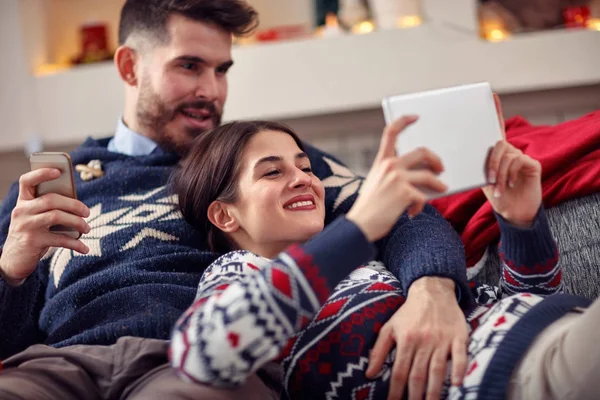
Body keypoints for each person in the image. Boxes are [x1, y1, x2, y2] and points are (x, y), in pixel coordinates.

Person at [0, 1, 470, 399]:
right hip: (61, 364)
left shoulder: (262, 157)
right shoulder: (49, 186)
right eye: (189, 66)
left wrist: (434, 289)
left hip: (193, 364)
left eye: (221, 70)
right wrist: (11, 271)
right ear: (129, 66)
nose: (212, 91)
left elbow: (405, 210)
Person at [169, 117, 598, 400]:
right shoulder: (241, 272)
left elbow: (525, 300)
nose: (303, 179)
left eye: (305, 167)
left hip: (557, 332)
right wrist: (358, 227)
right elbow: (199, 355)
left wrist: (520, 222)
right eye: (273, 171)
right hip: (514, 379)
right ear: (225, 214)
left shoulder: (373, 261)